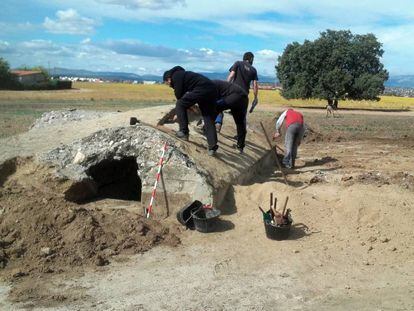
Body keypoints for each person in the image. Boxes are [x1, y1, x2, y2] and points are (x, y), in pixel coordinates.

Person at [163, 66, 219, 156]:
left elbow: (179, 95)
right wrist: (191, 106)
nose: (169, 86)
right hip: (212, 90)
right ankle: (212, 147)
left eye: (167, 83)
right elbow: (188, 95)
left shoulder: (176, 76)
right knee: (207, 117)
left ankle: (184, 132)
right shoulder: (184, 75)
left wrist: (179, 113)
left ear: (168, 79)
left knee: (180, 104)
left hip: (202, 89)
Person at [215, 52, 259, 132]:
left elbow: (231, 76)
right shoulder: (253, 70)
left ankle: (218, 123)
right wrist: (255, 98)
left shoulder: (238, 63)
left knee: (218, 105)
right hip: (244, 97)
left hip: (233, 93)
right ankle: (240, 139)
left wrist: (224, 88)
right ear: (251, 59)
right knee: (241, 119)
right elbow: (255, 85)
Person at [213, 80, 248, 153]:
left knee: (216, 108)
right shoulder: (215, 84)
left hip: (234, 96)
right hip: (244, 98)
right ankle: (240, 147)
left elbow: (214, 103)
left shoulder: (209, 86)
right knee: (240, 123)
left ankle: (206, 128)